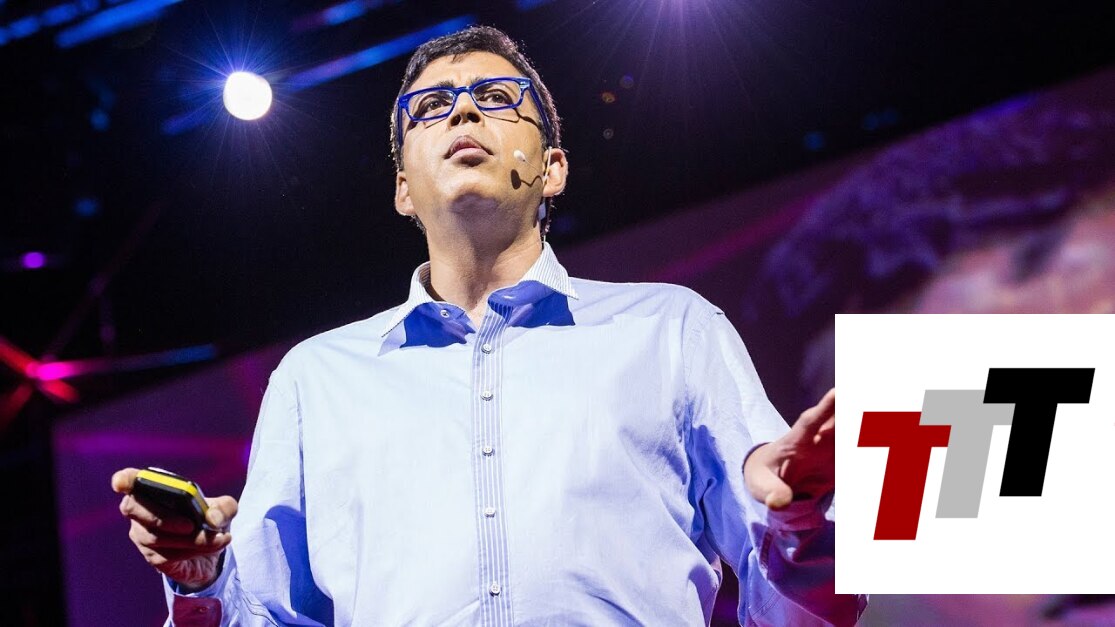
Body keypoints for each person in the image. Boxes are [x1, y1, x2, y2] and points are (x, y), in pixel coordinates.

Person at [112, 25, 865, 626]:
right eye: (429, 107)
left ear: (553, 168)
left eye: (498, 98)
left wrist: (803, 519)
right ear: (403, 188)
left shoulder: (672, 330)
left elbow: (809, 611)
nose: (463, 112)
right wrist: (203, 583)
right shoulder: (315, 380)